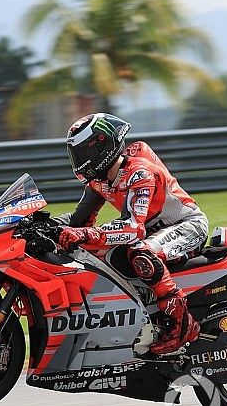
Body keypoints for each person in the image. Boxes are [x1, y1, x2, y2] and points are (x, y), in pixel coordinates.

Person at [55, 113, 207, 355]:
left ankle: (182, 323)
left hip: (187, 226)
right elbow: (79, 221)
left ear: (103, 146)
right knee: (98, 254)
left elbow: (132, 228)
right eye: (76, 155)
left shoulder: (140, 173)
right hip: (152, 232)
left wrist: (85, 234)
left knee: (140, 253)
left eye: (84, 153)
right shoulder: (99, 181)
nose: (80, 161)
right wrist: (46, 226)